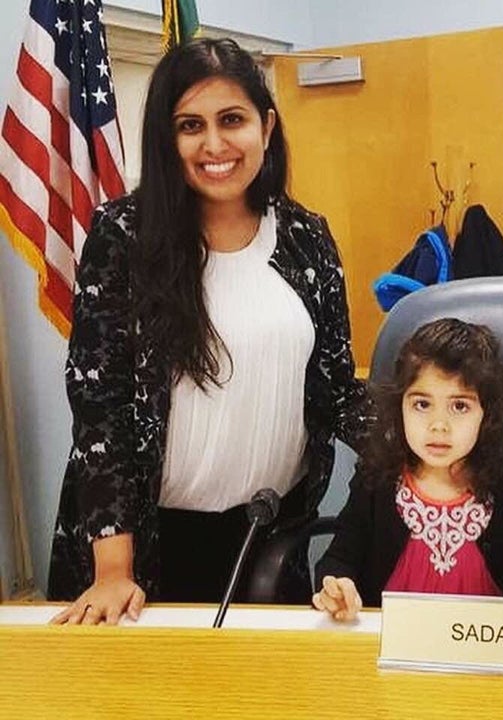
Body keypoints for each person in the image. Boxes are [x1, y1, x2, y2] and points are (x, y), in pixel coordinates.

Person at [48, 37, 368, 624]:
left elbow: (337, 388)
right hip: (141, 547)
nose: (215, 144)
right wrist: (114, 570)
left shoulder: (307, 237)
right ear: (166, 140)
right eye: (190, 125)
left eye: (233, 120)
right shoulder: (123, 236)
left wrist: (428, 443)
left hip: (269, 537)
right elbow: (102, 408)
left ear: (266, 128)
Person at [312, 318, 503, 622]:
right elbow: (339, 560)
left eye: (460, 406)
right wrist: (336, 586)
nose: (439, 425)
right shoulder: (376, 481)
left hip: (484, 659)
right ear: (400, 408)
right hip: (388, 653)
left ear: (487, 416)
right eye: (422, 404)